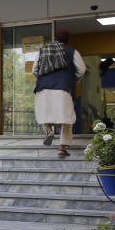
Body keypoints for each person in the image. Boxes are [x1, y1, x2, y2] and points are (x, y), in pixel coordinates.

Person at [32, 29, 86, 157]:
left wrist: (44, 77)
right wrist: (73, 79)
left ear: (54, 38)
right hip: (63, 88)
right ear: (67, 40)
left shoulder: (42, 50)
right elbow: (82, 70)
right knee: (66, 118)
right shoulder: (72, 51)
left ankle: (49, 131)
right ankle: (62, 148)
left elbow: (34, 70)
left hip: (43, 88)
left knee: (46, 112)